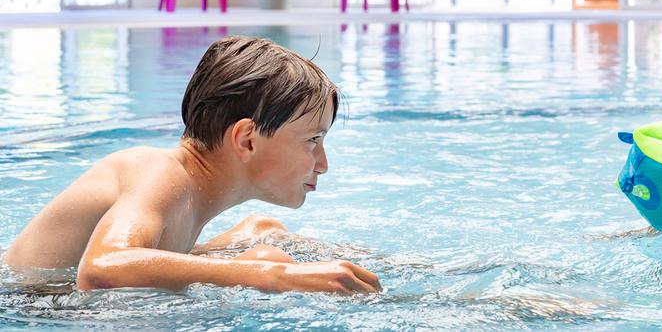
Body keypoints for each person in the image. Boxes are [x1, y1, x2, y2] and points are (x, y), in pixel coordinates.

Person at [3, 35, 381, 295]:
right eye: (313, 140)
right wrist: (272, 274)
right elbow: (102, 267)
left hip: (50, 298)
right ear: (247, 140)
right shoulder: (157, 170)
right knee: (266, 258)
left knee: (266, 237)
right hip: (23, 301)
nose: (322, 164)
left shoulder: (189, 192)